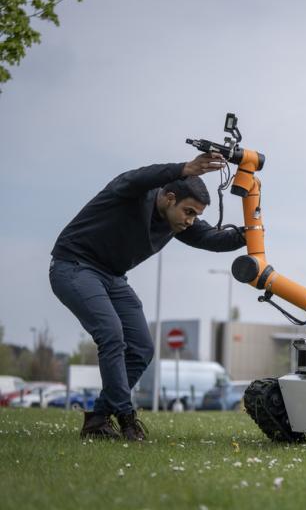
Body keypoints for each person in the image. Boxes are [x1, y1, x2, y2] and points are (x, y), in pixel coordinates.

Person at [50, 152, 244, 441]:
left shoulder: (175, 222)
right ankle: (127, 418)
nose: (191, 221)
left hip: (113, 278)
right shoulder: (130, 194)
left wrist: (249, 233)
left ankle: (98, 421)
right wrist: (183, 168)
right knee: (111, 334)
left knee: (141, 348)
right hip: (73, 265)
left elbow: (210, 239)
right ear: (168, 198)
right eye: (189, 211)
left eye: (196, 215)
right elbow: (139, 176)